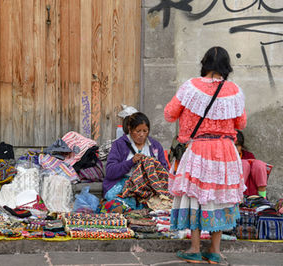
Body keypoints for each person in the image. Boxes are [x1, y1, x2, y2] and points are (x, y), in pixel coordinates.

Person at [164, 47, 247, 264]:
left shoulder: (190, 87)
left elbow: (169, 114)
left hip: (199, 149)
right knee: (220, 197)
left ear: (205, 63)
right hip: (226, 152)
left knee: (197, 197)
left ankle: (194, 248)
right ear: (226, 66)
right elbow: (241, 123)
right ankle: (215, 252)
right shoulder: (235, 91)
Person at [103, 112, 168, 210]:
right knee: (117, 206)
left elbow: (163, 170)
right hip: (122, 184)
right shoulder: (119, 145)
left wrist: (151, 165)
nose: (142, 135)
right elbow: (110, 172)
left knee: (159, 205)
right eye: (138, 131)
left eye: (145, 131)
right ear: (130, 129)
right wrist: (131, 162)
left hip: (147, 187)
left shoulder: (155, 146)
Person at [235, 130, 268, 198]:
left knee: (259, 164)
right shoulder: (225, 157)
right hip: (237, 187)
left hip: (253, 188)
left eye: (237, 145)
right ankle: (238, 197)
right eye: (233, 145)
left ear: (241, 146)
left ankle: (262, 197)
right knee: (243, 164)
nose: (235, 148)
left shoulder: (248, 155)